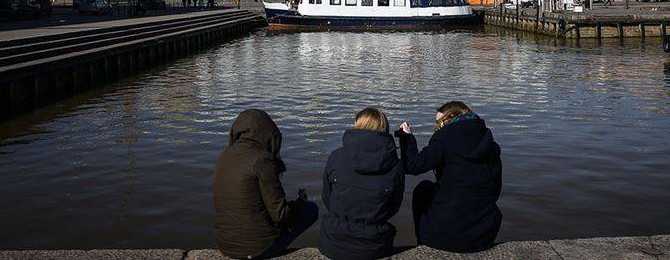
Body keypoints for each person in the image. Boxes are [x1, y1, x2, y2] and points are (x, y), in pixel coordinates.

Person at [395, 101, 502, 253]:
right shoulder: (490, 143)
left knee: (424, 189)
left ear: (450, 118)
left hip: (442, 237)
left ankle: (422, 246)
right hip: (483, 235)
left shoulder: (444, 138)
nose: (436, 127)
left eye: (439, 122)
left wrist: (407, 138)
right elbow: (495, 190)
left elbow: (413, 166)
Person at [213, 109, 318, 259]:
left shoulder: (225, 155)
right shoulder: (262, 160)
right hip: (256, 248)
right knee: (310, 209)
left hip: (225, 244)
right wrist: (300, 203)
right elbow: (280, 215)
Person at [319, 108, 404, 260]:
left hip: (332, 242)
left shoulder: (336, 156)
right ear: (384, 128)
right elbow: (393, 207)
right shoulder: (396, 166)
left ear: (357, 125)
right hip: (374, 246)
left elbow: (327, 197)